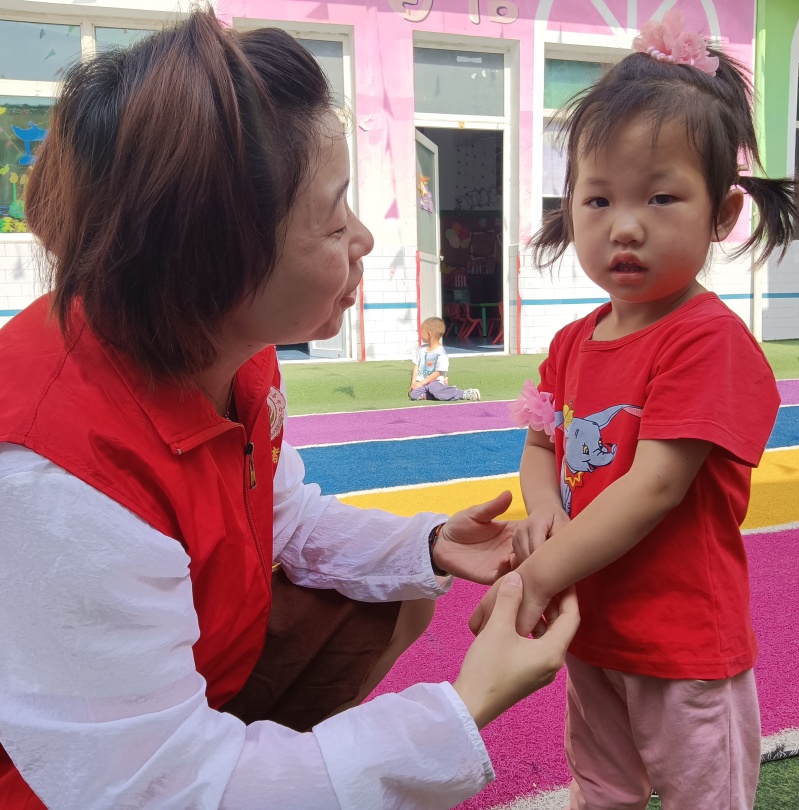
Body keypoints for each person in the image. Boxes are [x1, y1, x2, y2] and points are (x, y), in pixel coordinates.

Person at [0, 10, 580, 810]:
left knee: (397, 589)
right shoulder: (52, 476)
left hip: (198, 682)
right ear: (217, 256)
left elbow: (283, 518)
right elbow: (158, 788)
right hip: (74, 787)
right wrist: (464, 706)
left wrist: (430, 544)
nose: (363, 240)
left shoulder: (229, 349)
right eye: (334, 217)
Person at [471, 11, 799, 810]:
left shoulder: (707, 341)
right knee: (602, 789)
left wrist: (535, 577)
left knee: (703, 795)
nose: (625, 225)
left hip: (683, 644)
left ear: (722, 215)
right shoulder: (571, 343)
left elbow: (655, 486)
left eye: (661, 197)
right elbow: (543, 445)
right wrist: (544, 510)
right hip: (594, 629)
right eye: (598, 199)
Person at [409, 316, 481, 401]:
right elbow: (416, 366)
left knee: (433, 387)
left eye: (421, 331)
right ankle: (438, 394)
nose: (420, 333)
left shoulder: (441, 352)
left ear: (429, 334)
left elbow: (438, 372)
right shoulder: (421, 350)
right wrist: (414, 383)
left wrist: (421, 383)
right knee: (413, 394)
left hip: (435, 382)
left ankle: (462, 393)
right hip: (424, 384)